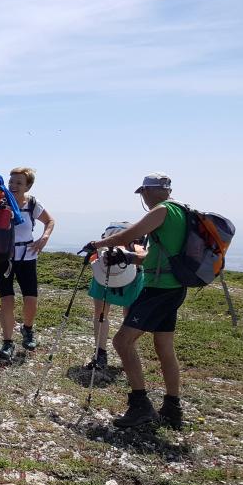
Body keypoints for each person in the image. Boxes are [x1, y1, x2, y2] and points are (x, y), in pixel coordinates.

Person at [86, 173, 189, 430]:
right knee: (164, 344)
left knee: (122, 341)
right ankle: (172, 407)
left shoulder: (162, 210)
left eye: (143, 192)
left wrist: (96, 244)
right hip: (173, 286)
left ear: (151, 191)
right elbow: (152, 255)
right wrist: (130, 259)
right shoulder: (183, 212)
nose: (142, 196)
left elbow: (125, 236)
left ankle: (140, 405)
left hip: (159, 289)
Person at [0, 167, 56, 360]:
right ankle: (7, 342)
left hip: (27, 256)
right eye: (11, 181)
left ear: (28, 186)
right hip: (3, 257)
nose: (13, 185)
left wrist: (44, 238)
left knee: (30, 299)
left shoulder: (32, 204)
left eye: (19, 182)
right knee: (7, 300)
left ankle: (27, 329)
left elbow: (50, 221)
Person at [85, 222, 146, 371]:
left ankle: (102, 353)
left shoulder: (134, 248)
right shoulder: (105, 255)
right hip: (113, 270)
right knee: (128, 315)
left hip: (118, 271)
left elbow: (142, 255)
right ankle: (125, 352)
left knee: (101, 313)